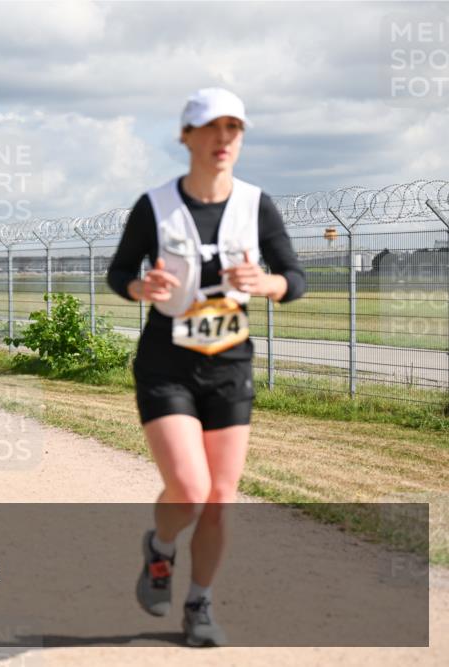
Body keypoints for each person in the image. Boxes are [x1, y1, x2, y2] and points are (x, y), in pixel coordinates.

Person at [106, 88, 305, 647]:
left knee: (220, 498)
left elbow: (294, 277)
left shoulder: (256, 205)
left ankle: (199, 604)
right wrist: (139, 286)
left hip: (229, 365)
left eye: (233, 128)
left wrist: (267, 283)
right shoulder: (155, 205)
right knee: (190, 489)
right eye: (212, 127)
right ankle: (160, 548)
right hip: (167, 363)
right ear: (186, 136)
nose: (223, 138)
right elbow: (119, 272)